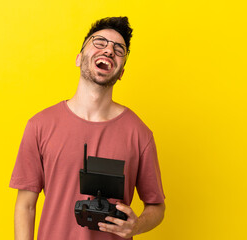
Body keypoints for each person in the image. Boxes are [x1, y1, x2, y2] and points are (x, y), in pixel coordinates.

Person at [10, 16, 165, 240]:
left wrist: (136, 225)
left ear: (121, 73)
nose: (109, 50)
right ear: (79, 57)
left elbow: (157, 208)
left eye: (119, 49)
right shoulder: (40, 125)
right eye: (100, 42)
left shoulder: (140, 134)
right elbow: (25, 206)